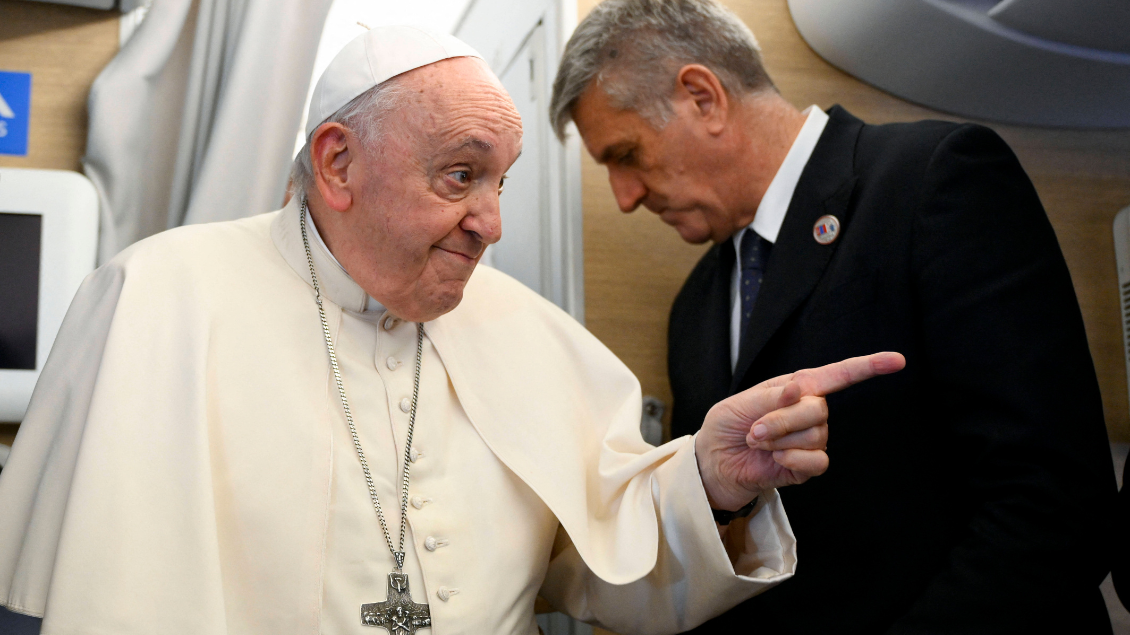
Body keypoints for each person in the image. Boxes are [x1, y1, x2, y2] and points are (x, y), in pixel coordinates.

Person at [0, 25, 903, 635]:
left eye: (500, 182)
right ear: (338, 163)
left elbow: (610, 565)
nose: (491, 222)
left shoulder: (533, 334)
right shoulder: (159, 296)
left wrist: (709, 479)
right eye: (460, 175)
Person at [550, 0, 1119, 632]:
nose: (625, 198)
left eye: (625, 154)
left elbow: (1053, 505)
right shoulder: (696, 308)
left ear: (702, 96)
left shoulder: (933, 180)